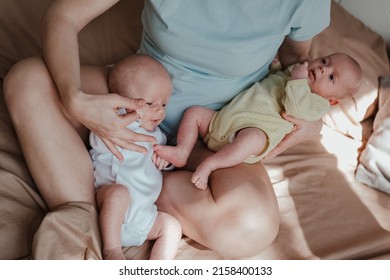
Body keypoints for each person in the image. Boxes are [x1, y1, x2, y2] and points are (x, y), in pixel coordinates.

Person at [4, 0, 332, 259]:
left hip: (216, 129)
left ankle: (136, 196)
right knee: (27, 81)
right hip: (135, 100)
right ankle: (89, 224)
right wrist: (75, 101)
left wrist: (310, 120)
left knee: (250, 227)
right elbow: (63, 16)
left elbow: (295, 66)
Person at [154, 53, 362, 189]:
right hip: (223, 120)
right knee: (194, 113)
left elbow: (294, 106)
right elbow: (273, 81)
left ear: (333, 100)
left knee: (251, 139)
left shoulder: (318, 104)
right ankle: (182, 151)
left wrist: (298, 81)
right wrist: (277, 66)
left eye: (332, 78)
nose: (323, 69)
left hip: (253, 132)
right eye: (325, 61)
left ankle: (210, 165)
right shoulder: (295, 72)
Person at [89, 55, 181, 260]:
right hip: (112, 212)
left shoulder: (158, 136)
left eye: (164, 104)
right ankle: (112, 250)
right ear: (121, 101)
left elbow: (164, 160)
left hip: (143, 219)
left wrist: (165, 160)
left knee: (171, 226)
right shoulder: (114, 123)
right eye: (150, 102)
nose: (159, 110)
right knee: (118, 194)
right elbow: (98, 142)